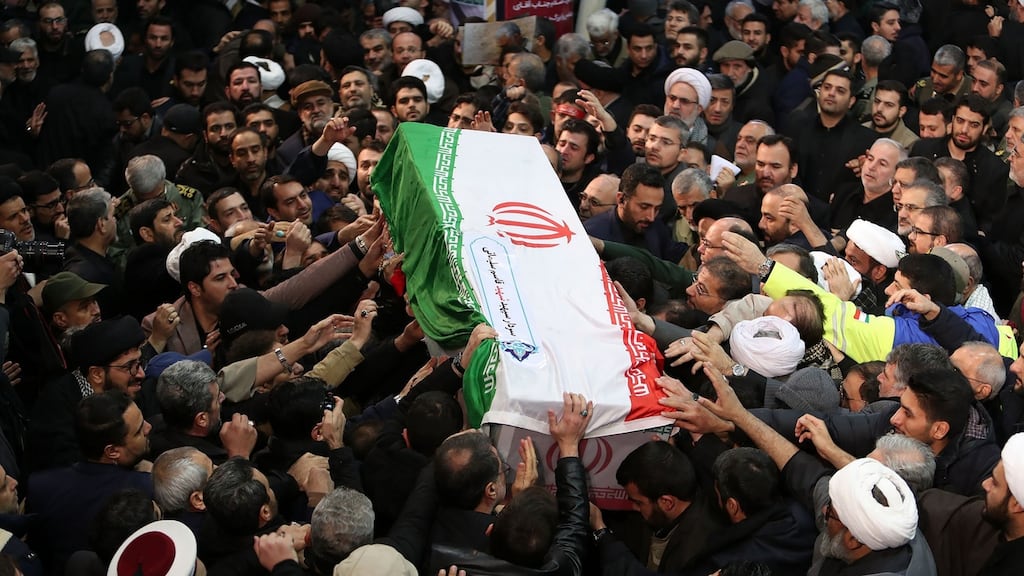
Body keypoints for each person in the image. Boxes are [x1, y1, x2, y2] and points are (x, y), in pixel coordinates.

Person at [26, 390, 153, 576]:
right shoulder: (145, 488)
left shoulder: (40, 487)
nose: (149, 428)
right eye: (139, 431)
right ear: (112, 451)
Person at [584, 163, 687, 262]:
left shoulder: (656, 227)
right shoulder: (591, 235)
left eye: (657, 209)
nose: (651, 217)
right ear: (621, 200)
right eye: (644, 207)